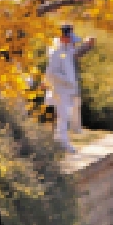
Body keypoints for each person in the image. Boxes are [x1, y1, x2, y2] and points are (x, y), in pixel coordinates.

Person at [44, 23, 94, 153]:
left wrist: (87, 46)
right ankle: (63, 142)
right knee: (63, 115)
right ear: (63, 37)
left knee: (64, 115)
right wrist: (68, 80)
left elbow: (75, 54)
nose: (72, 41)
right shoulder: (56, 51)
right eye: (69, 38)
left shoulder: (66, 49)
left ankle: (59, 141)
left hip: (66, 89)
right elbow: (51, 72)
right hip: (59, 89)